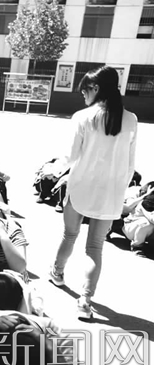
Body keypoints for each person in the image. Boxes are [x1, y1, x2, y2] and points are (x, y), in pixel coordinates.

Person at [48, 66, 138, 320]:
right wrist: (120, 190)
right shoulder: (131, 119)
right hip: (111, 194)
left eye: (85, 91)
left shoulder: (83, 117)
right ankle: (85, 301)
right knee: (95, 247)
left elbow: (71, 156)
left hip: (80, 187)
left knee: (69, 235)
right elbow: (130, 164)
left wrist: (54, 171)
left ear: (96, 88)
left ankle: (57, 273)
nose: (83, 96)